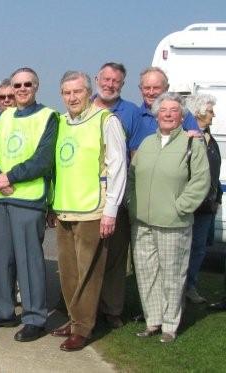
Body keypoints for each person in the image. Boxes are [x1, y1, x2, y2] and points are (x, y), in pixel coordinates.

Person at [49, 71, 127, 351]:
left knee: (89, 273)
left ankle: (83, 327)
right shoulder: (61, 123)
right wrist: (52, 204)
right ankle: (73, 319)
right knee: (68, 272)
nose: (72, 97)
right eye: (67, 93)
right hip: (65, 208)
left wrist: (111, 210)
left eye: (77, 92)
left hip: (93, 209)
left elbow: (117, 167)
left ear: (88, 91)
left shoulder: (106, 121)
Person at [0, 67, 57, 342]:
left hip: (27, 199)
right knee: (1, 259)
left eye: (27, 84)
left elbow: (43, 159)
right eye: (17, 85)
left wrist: (9, 177)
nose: (22, 89)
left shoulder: (48, 117)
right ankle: (3, 311)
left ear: (36, 87)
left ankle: (35, 317)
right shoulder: (2, 117)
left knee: (29, 260)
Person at [128, 92, 209, 343]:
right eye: (164, 110)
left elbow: (200, 180)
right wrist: (132, 203)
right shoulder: (147, 144)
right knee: (146, 273)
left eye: (174, 110)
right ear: (156, 115)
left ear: (182, 116)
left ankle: (170, 326)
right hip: (142, 222)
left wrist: (181, 207)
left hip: (174, 222)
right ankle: (153, 320)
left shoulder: (191, 144)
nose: (169, 114)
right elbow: (132, 176)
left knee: (172, 275)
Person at [92, 62, 143, 328]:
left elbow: (133, 157)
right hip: (86, 197)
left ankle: (111, 309)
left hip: (117, 196)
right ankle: (82, 308)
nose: (110, 84)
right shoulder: (83, 105)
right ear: (97, 78)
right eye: (106, 79)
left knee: (115, 257)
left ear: (122, 85)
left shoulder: (130, 112)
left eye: (116, 82)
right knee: (88, 256)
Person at [184, 94, 221, 304]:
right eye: (209, 111)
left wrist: (218, 199)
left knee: (199, 248)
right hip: (192, 205)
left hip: (207, 205)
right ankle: (181, 288)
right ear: (197, 112)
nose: (213, 114)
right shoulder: (188, 137)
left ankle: (190, 286)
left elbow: (214, 172)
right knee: (186, 248)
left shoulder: (209, 137)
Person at [133, 67, 199, 151]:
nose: (151, 92)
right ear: (140, 89)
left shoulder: (182, 113)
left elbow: (197, 142)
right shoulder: (134, 116)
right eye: (147, 88)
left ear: (166, 88)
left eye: (156, 88)